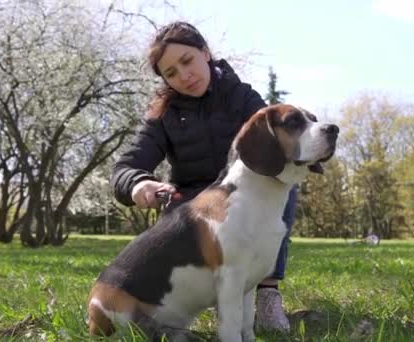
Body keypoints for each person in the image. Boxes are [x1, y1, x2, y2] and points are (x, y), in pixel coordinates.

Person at [110, 21, 298, 332]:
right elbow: (125, 167)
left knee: (283, 183)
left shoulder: (241, 97)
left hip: (244, 198)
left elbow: (278, 146)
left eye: (187, 61)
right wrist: (138, 184)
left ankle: (267, 293)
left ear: (205, 52)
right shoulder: (162, 115)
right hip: (194, 207)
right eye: (171, 73)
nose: (184, 75)